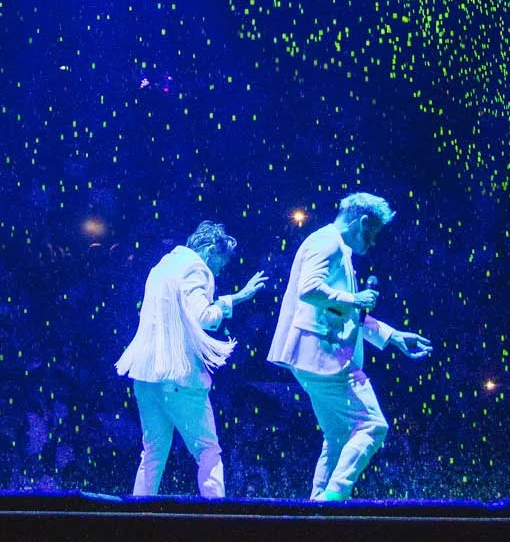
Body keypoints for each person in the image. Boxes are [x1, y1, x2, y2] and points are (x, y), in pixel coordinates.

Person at [268, 191, 431, 503]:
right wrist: (355, 299)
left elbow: (341, 312)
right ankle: (334, 497)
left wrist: (392, 335)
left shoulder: (335, 246)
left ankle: (318, 507)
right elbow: (310, 290)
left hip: (311, 358)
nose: (373, 243)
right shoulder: (326, 242)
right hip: (322, 357)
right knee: (373, 425)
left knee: (340, 436)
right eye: (373, 233)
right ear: (363, 221)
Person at [115, 221, 268, 500]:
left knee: (152, 454)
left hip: (147, 376)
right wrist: (238, 298)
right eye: (221, 262)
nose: (220, 270)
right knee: (208, 451)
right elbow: (204, 318)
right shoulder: (197, 268)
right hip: (179, 376)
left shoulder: (164, 264)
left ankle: (134, 520)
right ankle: (216, 520)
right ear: (210, 250)